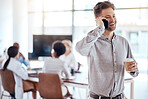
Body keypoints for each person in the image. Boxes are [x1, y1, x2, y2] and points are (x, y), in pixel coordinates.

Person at [75, 1, 139, 99]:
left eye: (114, 16)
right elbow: (80, 49)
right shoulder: (92, 42)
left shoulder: (123, 42)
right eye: (108, 17)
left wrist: (134, 70)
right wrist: (99, 28)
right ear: (98, 20)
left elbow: (134, 69)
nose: (113, 20)